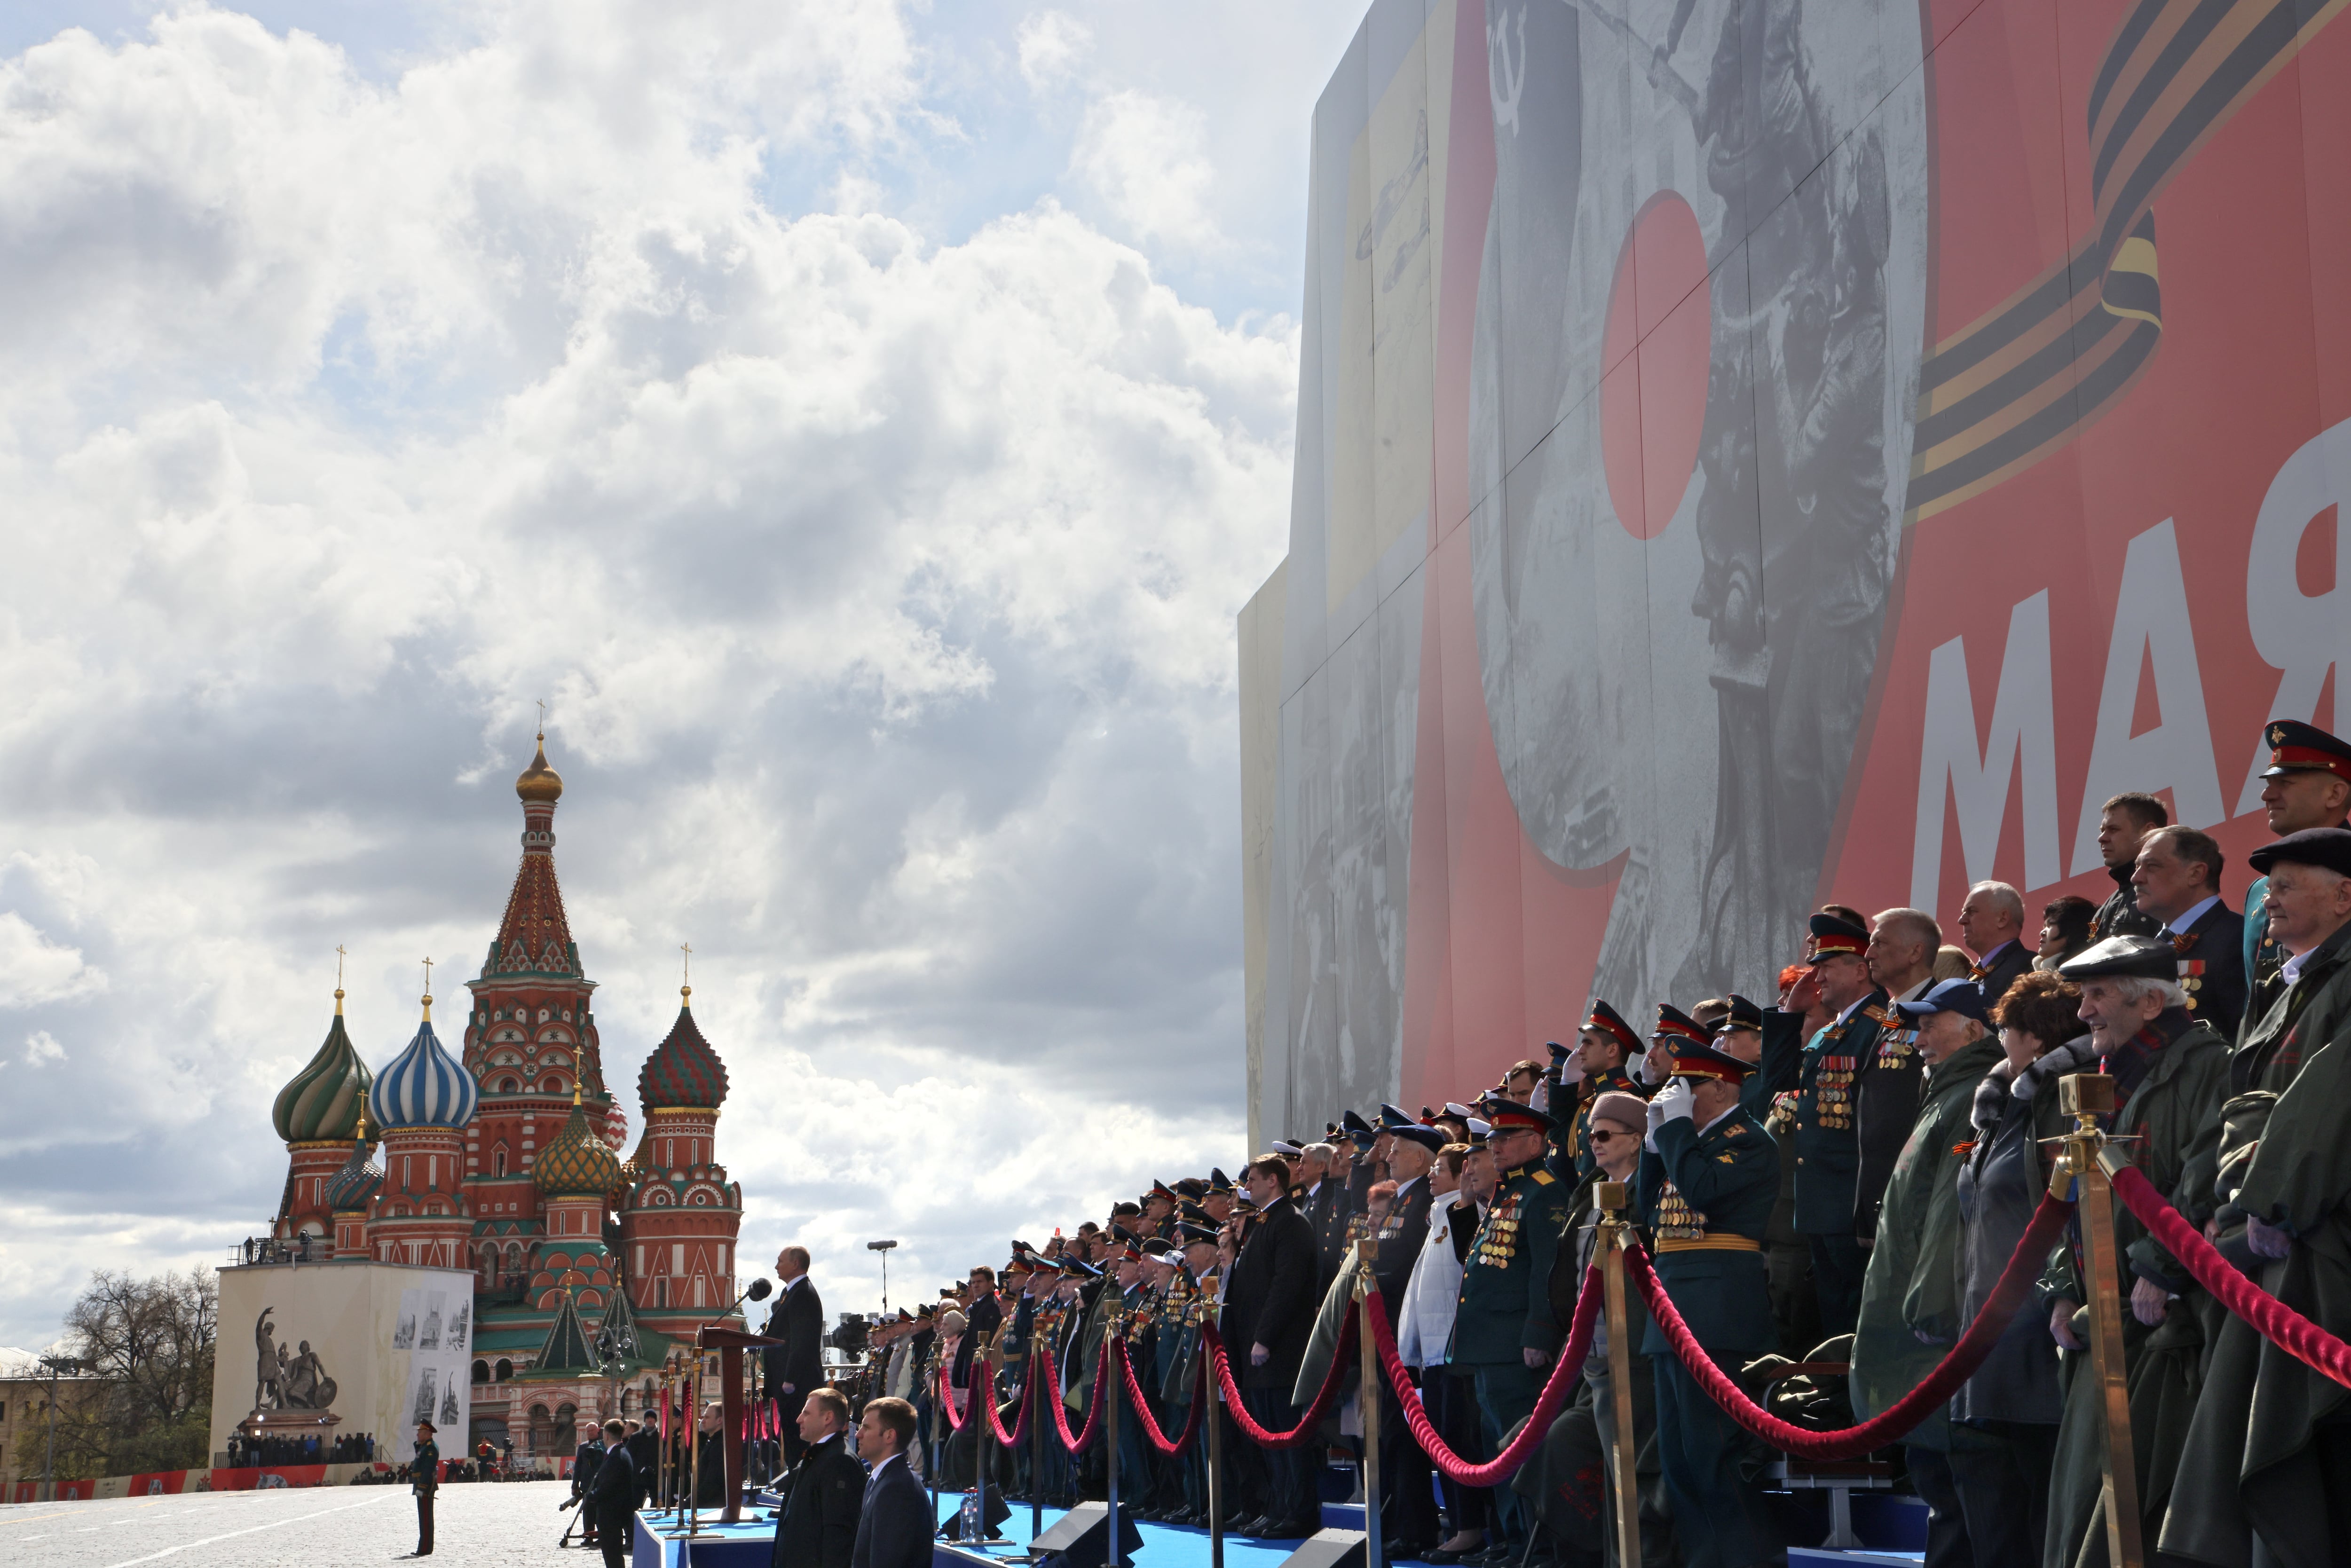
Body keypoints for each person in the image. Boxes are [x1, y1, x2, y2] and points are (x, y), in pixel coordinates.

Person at [2163, 826, 2351, 1563]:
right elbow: (2241, 1108)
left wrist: (2262, 1202)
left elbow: (2320, 1108)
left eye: (2292, 882)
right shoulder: (2292, 983)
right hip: (2270, 1246)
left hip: (2314, 1247)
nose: (2271, 896)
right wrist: (2229, 1204)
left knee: (2309, 1450)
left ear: (2346, 894)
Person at [2041, 935, 2228, 1568]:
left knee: (2141, 1511)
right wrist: (2063, 1285)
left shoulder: (2208, 1064)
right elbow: (2069, 1197)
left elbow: (2208, 1173)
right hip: (2102, 1320)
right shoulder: (2103, 1075)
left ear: (2151, 1002)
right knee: (2082, 1506)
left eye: (2097, 995)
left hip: (2165, 1328)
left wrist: (2161, 1266)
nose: (2084, 1011)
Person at [1849, 978, 2004, 1568]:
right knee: (1943, 1496)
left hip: (1935, 1342)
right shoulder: (1947, 1092)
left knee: (1964, 1502)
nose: (1916, 1038)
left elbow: (1948, 1218)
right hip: (1920, 1340)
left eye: (1929, 1023)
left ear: (1971, 1027)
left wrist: (1930, 1310)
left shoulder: (1969, 1095)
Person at [1948, 971, 2091, 1566]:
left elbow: (2073, 1216)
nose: (1998, 1039)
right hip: (1985, 1341)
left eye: (2004, 1028)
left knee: (2041, 1519)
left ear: (2032, 1038)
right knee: (1995, 1523)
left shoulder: (2057, 1108)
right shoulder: (1998, 1108)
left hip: (2037, 1342)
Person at [1636, 1037, 1778, 1568]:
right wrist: (1654, 1147)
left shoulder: (1747, 1140)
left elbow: (1701, 1191)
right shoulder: (1686, 1143)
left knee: (1713, 1454)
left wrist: (1673, 1133)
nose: (1676, 1099)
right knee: (1677, 1461)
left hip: (1718, 1312)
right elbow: (1648, 1212)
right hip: (1674, 1309)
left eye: (1686, 1088)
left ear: (1719, 1087)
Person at [1448, 1101, 1570, 1562]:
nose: (1493, 1145)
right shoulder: (1509, 1191)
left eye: (1505, 1137)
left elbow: (1547, 1269)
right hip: (1490, 1346)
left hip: (1516, 1346)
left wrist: (1539, 1331)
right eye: (1491, 1139)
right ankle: (1514, 1541)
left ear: (1535, 1142)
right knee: (1497, 1452)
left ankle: (1535, 1546)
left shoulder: (1543, 1191)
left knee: (1521, 1448)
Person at [1762, 910, 1890, 1337]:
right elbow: (1779, 1083)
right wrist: (1790, 1012)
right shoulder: (1837, 1030)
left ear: (1860, 969)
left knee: (1858, 1321)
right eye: (1815, 966)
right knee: (1836, 1323)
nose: (1818, 976)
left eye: (1827, 966)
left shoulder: (1878, 1023)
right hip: (1820, 1203)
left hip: (1851, 1203)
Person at [1221, 1154, 1318, 1538]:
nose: (1248, 1187)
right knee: (1267, 1437)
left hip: (1280, 1351)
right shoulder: (1264, 1223)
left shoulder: (1291, 1222)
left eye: (1254, 1180)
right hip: (1257, 1352)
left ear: (1274, 1182)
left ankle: (1299, 1511)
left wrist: (1264, 1337)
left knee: (1288, 1436)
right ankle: (1279, 1507)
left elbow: (1286, 1286)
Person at [2240, 719, 2351, 1021]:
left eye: (2285, 783)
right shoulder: (2258, 890)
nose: (2267, 796)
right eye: (2268, 784)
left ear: (2335, 794)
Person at [1853, 907, 1942, 1245]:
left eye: (1879, 943)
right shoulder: (1889, 1015)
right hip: (1879, 1198)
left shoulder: (1941, 1013)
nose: (1869, 953)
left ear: (1915, 952)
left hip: (1915, 1201)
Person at [2130, 822, 2248, 1038]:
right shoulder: (2149, 948)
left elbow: (2243, 1038)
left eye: (2152, 866)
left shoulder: (2237, 939)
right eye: (2137, 867)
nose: (2136, 878)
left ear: (2195, 874)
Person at [772, 1388, 864, 1568]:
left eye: (806, 1413)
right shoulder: (817, 1456)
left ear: (828, 1418)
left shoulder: (840, 1461)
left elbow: (838, 1534)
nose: (799, 1419)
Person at [851, 1397, 931, 1568]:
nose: (858, 1434)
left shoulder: (897, 1489)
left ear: (889, 1436)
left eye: (866, 1428)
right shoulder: (883, 1480)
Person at [765, 1245, 826, 1466]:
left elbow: (801, 1341)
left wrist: (789, 1379)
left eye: (780, 1261)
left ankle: (799, 1488)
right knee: (791, 1440)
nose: (776, 1266)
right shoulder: (790, 1293)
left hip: (797, 1384)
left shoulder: (803, 1294)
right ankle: (794, 1485)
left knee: (799, 1440)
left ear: (795, 1264)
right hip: (786, 1383)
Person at [2087, 791, 2169, 941]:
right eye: (2102, 831)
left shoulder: (2167, 892)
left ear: (2148, 832)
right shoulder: (2108, 906)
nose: (2102, 838)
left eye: (2114, 830)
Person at [1957, 879, 2034, 1008]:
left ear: (2002, 919)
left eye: (1972, 912)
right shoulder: (1977, 973)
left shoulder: (2027, 968)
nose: (1962, 920)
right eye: (1963, 912)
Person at [588, 1419, 638, 1568]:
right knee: (614, 1558)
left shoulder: (617, 1457)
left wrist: (591, 1496)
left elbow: (608, 1487)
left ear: (606, 1435)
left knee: (613, 1559)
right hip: (615, 1514)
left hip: (612, 1516)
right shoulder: (620, 1452)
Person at [2034, 894, 2099, 972]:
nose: (2042, 933)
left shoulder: (2086, 976)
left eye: (2050, 926)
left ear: (2073, 930)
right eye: (2044, 927)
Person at [572, 1420, 610, 1545]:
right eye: (588, 1431)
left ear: (598, 1430)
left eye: (592, 1431)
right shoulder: (583, 1447)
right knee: (587, 1512)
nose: (590, 1433)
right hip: (587, 1485)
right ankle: (588, 1536)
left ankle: (602, 1536)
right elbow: (578, 1467)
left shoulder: (604, 1445)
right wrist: (575, 1485)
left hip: (600, 1484)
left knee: (600, 1512)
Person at [408, 1418, 440, 1556]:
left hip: (425, 1486)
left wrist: (422, 1487)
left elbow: (428, 1469)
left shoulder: (431, 1448)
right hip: (421, 1485)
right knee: (424, 1518)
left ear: (427, 1433)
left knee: (426, 1518)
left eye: (420, 1432)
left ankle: (425, 1548)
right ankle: (425, 1546)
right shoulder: (425, 1446)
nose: (417, 1434)